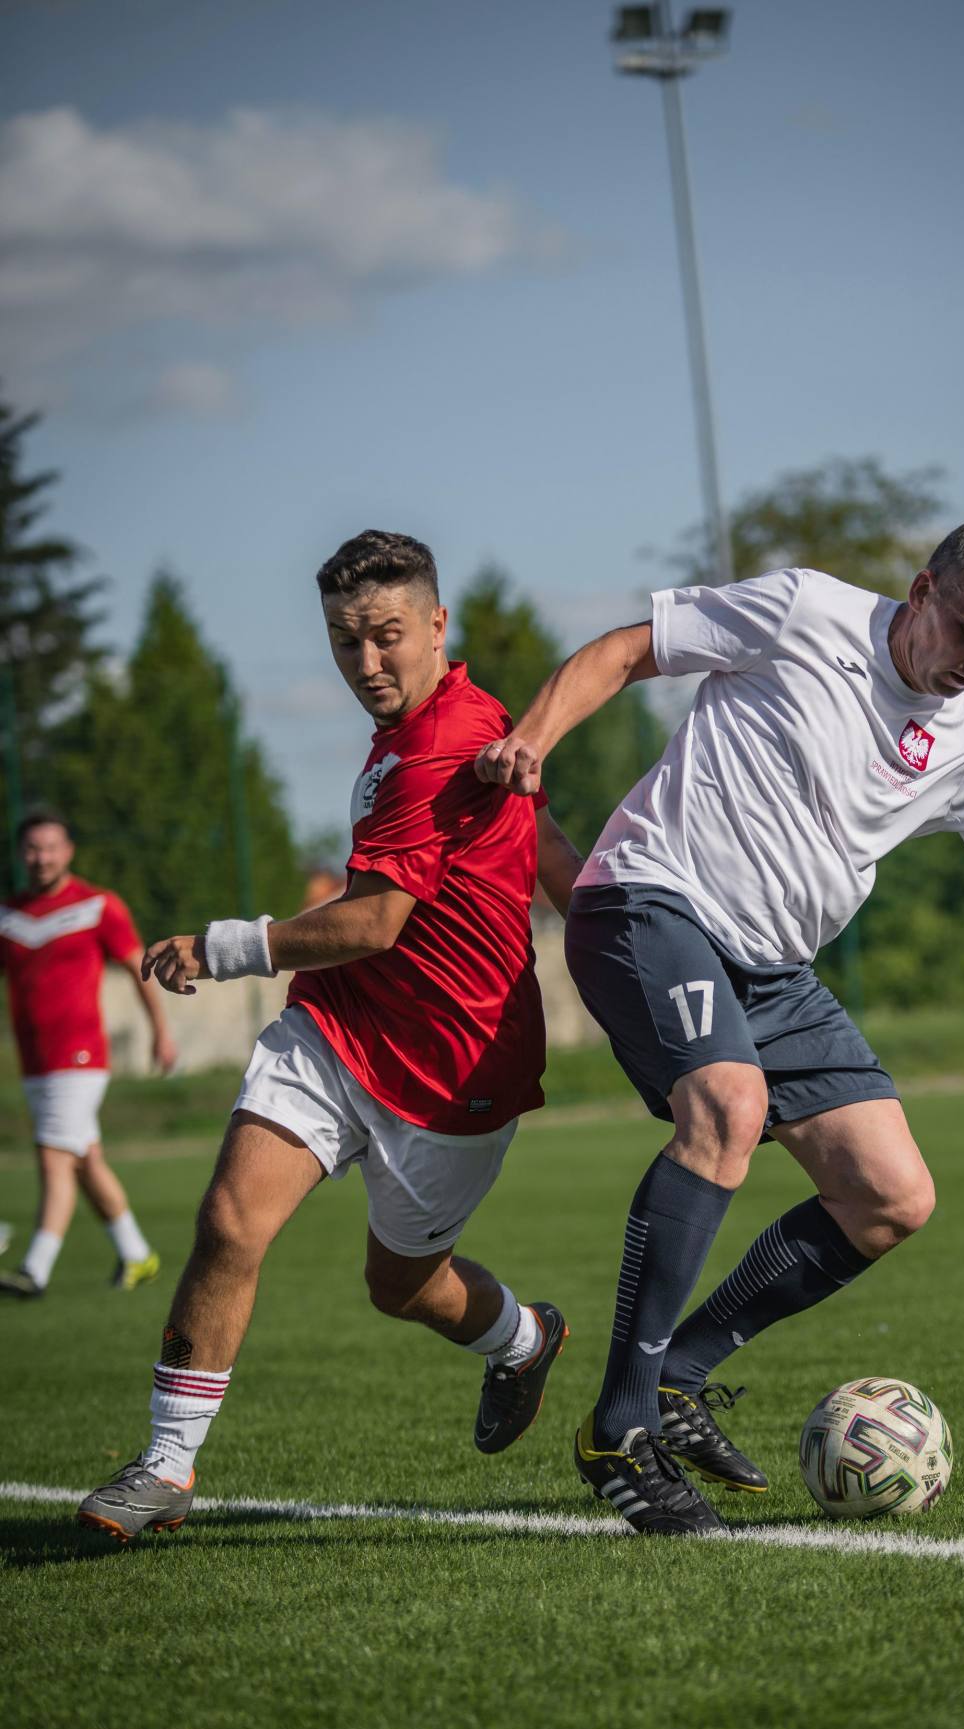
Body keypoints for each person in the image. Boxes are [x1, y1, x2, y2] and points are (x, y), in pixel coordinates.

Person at [475, 511, 964, 1536]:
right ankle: (618, 1427)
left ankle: (679, 1378)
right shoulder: (805, 610)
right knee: (725, 1105)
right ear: (922, 589)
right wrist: (532, 737)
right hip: (649, 901)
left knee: (889, 1194)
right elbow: (628, 651)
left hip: (772, 966)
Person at [78, 529, 580, 1541]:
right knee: (228, 1222)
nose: (365, 665)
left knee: (399, 1287)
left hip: (452, 1072)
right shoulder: (436, 729)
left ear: (437, 625)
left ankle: (523, 1341)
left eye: (387, 637)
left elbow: (372, 921)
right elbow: (542, 844)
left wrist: (224, 946)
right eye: (345, 643)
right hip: (338, 1027)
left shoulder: (444, 742)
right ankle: (167, 1470)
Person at [0, 810, 176, 1299]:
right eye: (33, 849)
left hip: (80, 1058)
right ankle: (137, 1254)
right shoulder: (8, 917)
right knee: (83, 1160)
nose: (41, 858)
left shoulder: (99, 905)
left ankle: (35, 1269)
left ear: (68, 851)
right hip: (34, 1064)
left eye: (51, 847)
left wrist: (160, 1032)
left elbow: (140, 967)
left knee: (53, 1158)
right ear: (21, 854)